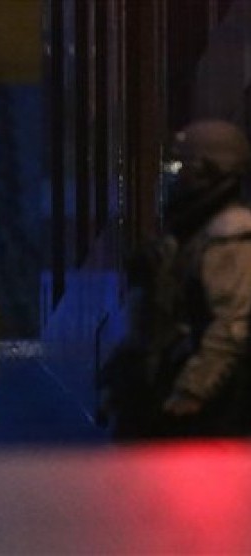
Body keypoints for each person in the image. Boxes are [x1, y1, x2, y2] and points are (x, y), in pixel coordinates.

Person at [99, 119, 251, 439]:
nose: (172, 176)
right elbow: (156, 321)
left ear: (206, 171)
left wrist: (192, 392)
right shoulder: (189, 233)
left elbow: (231, 324)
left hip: (210, 412)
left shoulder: (232, 236)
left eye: (179, 166)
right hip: (171, 391)